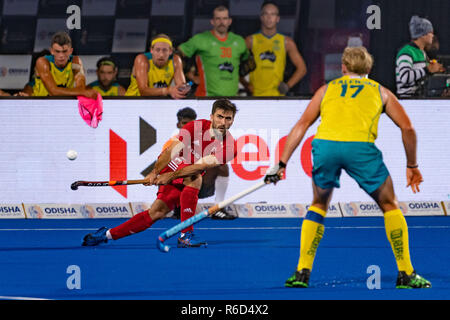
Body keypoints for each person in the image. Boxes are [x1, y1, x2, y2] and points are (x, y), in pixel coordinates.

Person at [265, 46, 431, 289]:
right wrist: (412, 165)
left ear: (342, 67)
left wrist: (281, 163)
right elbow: (408, 129)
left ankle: (302, 272)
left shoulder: (326, 89)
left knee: (319, 204)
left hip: (325, 147)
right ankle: (406, 273)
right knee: (389, 204)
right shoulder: (381, 91)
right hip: (359, 149)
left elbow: (302, 124)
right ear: (369, 69)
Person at [82, 99, 238, 247]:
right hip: (171, 165)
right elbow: (171, 151)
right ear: (211, 117)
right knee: (193, 180)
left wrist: (171, 177)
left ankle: (106, 235)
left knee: (157, 212)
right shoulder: (195, 127)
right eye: (219, 116)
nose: (223, 122)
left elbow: (199, 166)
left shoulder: (230, 147)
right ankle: (186, 235)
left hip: (186, 172)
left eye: (228, 118)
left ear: (232, 121)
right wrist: (154, 172)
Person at [163, 107, 235, 220]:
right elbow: (165, 168)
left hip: (198, 182)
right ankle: (176, 206)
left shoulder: (206, 139)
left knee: (222, 166)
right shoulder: (171, 143)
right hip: (176, 183)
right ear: (178, 125)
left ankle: (218, 208)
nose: (187, 126)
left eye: (191, 123)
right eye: (184, 123)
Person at [178, 5, 250, 97]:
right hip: (206, 98)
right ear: (212, 21)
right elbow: (178, 55)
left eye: (224, 18)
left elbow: (245, 65)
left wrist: (246, 84)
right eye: (218, 19)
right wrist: (189, 75)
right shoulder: (201, 39)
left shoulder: (239, 41)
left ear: (229, 21)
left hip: (232, 99)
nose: (221, 22)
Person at [242, 1, 307, 96]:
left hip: (277, 97)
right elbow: (234, 65)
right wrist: (246, 84)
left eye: (273, 14)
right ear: (261, 17)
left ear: (278, 18)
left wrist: (287, 86)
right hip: (255, 96)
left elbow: (302, 69)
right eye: (266, 14)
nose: (269, 17)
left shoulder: (286, 42)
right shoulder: (250, 40)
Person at [31, 31, 97, 99]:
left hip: (66, 104)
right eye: (57, 51)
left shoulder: (76, 61)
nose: (61, 55)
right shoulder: (43, 62)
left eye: (64, 51)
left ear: (70, 51)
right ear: (52, 51)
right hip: (41, 105)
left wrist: (81, 91)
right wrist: (82, 92)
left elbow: (81, 88)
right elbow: (53, 91)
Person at [125, 34, 189, 99]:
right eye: (157, 50)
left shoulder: (175, 60)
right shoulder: (142, 59)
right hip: (134, 100)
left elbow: (182, 86)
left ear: (170, 51)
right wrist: (168, 90)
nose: (161, 55)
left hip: (157, 102)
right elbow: (143, 91)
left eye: (165, 50)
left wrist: (183, 88)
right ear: (151, 50)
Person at [395, 15, 445, 97]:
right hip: (408, 100)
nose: (432, 36)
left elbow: (422, 77)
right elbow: (404, 77)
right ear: (422, 34)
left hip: (419, 99)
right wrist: (428, 69)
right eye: (430, 33)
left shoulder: (422, 52)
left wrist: (434, 70)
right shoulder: (406, 52)